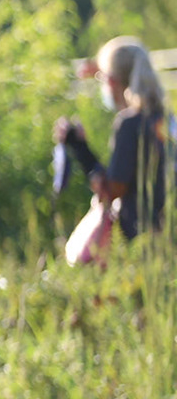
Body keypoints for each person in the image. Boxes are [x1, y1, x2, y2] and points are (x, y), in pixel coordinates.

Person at [55, 35, 169, 250]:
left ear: (112, 81)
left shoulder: (129, 123)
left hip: (141, 240)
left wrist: (79, 148)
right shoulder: (165, 119)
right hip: (169, 235)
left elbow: (111, 191)